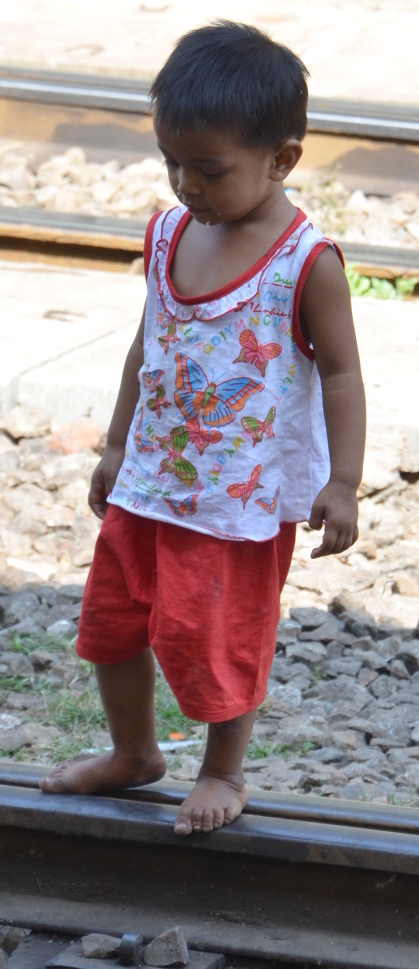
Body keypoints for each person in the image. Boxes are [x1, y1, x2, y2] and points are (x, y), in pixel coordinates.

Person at [39, 20, 366, 837]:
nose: (188, 184)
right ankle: (134, 753)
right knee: (112, 622)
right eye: (173, 164)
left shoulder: (304, 261)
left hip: (236, 497)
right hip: (152, 478)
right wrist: (116, 444)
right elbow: (147, 344)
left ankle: (222, 770)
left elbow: (342, 374)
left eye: (209, 170)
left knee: (215, 630)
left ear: (282, 159)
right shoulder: (170, 236)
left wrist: (343, 481)